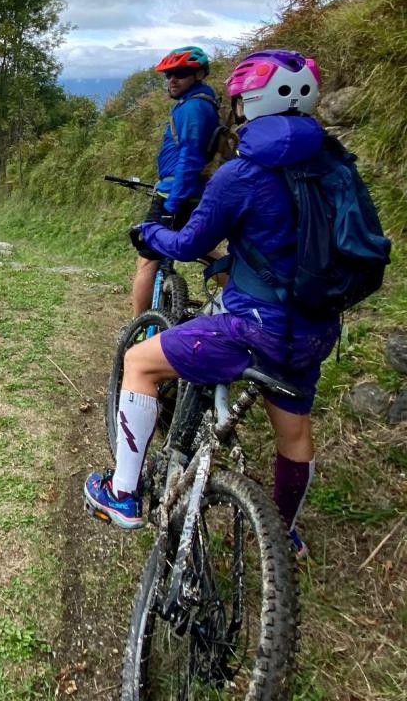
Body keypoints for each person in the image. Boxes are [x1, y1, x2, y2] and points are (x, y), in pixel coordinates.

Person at [86, 49, 340, 555]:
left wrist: (152, 232)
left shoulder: (239, 175)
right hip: (314, 329)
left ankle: (123, 494)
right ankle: (282, 536)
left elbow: (185, 244)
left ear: (246, 104)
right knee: (294, 433)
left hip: (253, 328)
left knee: (138, 362)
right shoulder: (336, 168)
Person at [131, 45, 219, 316]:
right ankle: (237, 302)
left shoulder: (193, 108)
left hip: (175, 193)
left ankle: (135, 327)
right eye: (168, 74)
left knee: (147, 261)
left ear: (200, 74)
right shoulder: (201, 103)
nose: (172, 79)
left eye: (180, 73)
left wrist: (172, 204)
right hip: (192, 190)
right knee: (206, 249)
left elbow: (190, 157)